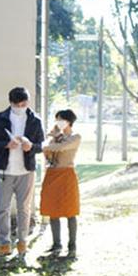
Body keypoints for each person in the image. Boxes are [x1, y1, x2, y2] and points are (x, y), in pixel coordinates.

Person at [0, 87, 44, 257]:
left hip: (26, 172)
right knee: (3, 209)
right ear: (10, 103)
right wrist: (5, 145)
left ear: (27, 102)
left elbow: (41, 146)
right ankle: (5, 244)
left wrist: (30, 146)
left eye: (23, 104)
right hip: (3, 170)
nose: (20, 106)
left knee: (24, 209)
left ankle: (22, 242)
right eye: (16, 104)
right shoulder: (0, 118)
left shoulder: (35, 120)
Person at [40, 109, 82, 257]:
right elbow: (48, 152)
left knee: (70, 211)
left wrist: (54, 140)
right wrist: (51, 142)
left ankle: (72, 246)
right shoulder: (56, 138)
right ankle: (56, 244)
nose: (58, 123)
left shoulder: (75, 137)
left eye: (61, 120)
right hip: (52, 174)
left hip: (67, 174)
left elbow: (61, 148)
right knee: (52, 210)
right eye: (57, 120)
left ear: (69, 121)